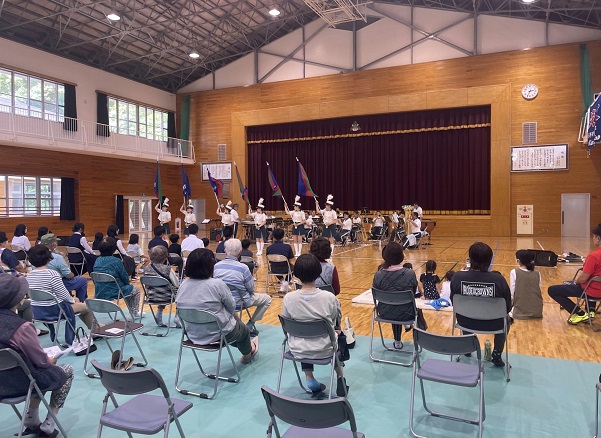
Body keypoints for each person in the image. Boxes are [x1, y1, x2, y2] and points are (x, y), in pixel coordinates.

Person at [0, 274, 74, 438]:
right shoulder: (22, 328)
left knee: (33, 372)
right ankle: (49, 423)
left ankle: (31, 418)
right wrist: (52, 359)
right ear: (19, 299)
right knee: (64, 370)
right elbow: (42, 362)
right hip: (20, 383)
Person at [175, 248, 258, 363]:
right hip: (218, 334)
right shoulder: (217, 284)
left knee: (233, 327)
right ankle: (248, 355)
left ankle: (248, 346)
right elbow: (232, 306)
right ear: (211, 265)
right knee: (243, 331)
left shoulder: (183, 285)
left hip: (191, 333)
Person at [282, 254, 348, 397]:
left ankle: (309, 378)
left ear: (296, 274)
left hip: (297, 349)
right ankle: (340, 376)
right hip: (325, 348)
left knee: (302, 334)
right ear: (318, 272)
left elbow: (287, 321)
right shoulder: (329, 297)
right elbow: (334, 319)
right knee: (337, 334)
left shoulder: (288, 298)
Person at [450, 242, 511, 367]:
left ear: (470, 259)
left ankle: (467, 347)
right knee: (507, 319)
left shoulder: (457, 277)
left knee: (463, 312)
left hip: (465, 322)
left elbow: (453, 302)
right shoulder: (498, 280)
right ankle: (497, 354)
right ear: (490, 260)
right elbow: (507, 307)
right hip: (495, 324)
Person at [27, 245, 94, 345]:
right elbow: (64, 295)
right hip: (55, 311)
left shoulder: (29, 276)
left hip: (37, 311)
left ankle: (96, 329)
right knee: (85, 307)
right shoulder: (52, 274)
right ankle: (96, 330)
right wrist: (73, 300)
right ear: (48, 257)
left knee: (79, 306)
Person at [213, 239, 272, 335]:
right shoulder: (243, 268)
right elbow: (251, 288)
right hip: (240, 302)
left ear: (225, 251)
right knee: (267, 299)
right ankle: (251, 324)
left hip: (222, 302)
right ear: (240, 252)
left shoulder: (216, 266)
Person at [548, 225, 601, 324]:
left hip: (592, 291)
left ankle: (579, 313)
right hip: (596, 288)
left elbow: (583, 279)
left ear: (598, 238)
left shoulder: (594, 256)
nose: (593, 239)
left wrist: (576, 282)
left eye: (594, 237)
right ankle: (591, 311)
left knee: (552, 290)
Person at [372, 242, 421, 349]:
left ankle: (397, 342)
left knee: (394, 305)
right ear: (401, 256)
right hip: (407, 313)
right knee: (399, 306)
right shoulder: (410, 273)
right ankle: (419, 341)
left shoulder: (378, 274)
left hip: (384, 312)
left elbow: (376, 292)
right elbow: (413, 293)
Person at [93, 238, 143, 318]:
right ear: (113, 249)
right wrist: (126, 284)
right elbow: (124, 277)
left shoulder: (97, 260)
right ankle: (134, 312)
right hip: (114, 291)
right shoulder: (116, 261)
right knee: (134, 290)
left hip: (99, 291)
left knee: (127, 289)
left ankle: (133, 312)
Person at [42, 233, 89, 303]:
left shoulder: (37, 256)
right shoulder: (57, 258)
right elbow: (68, 275)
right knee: (82, 280)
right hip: (58, 284)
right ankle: (81, 302)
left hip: (43, 284)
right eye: (56, 241)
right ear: (52, 244)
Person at [143, 246, 180, 327]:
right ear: (165, 257)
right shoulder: (167, 269)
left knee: (160, 288)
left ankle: (159, 314)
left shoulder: (146, 269)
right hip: (167, 297)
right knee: (178, 290)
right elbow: (176, 284)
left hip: (151, 297)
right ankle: (177, 316)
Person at [510, 250, 543, 319]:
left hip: (519, 312)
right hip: (537, 312)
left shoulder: (514, 272)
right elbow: (539, 290)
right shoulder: (537, 273)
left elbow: (512, 292)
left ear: (518, 260)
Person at [266, 228, 295, 292]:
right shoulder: (287, 247)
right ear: (283, 236)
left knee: (274, 266)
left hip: (274, 269)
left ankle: (283, 282)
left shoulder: (269, 248)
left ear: (273, 236)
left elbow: (270, 261)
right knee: (293, 267)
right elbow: (290, 259)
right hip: (285, 268)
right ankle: (286, 283)